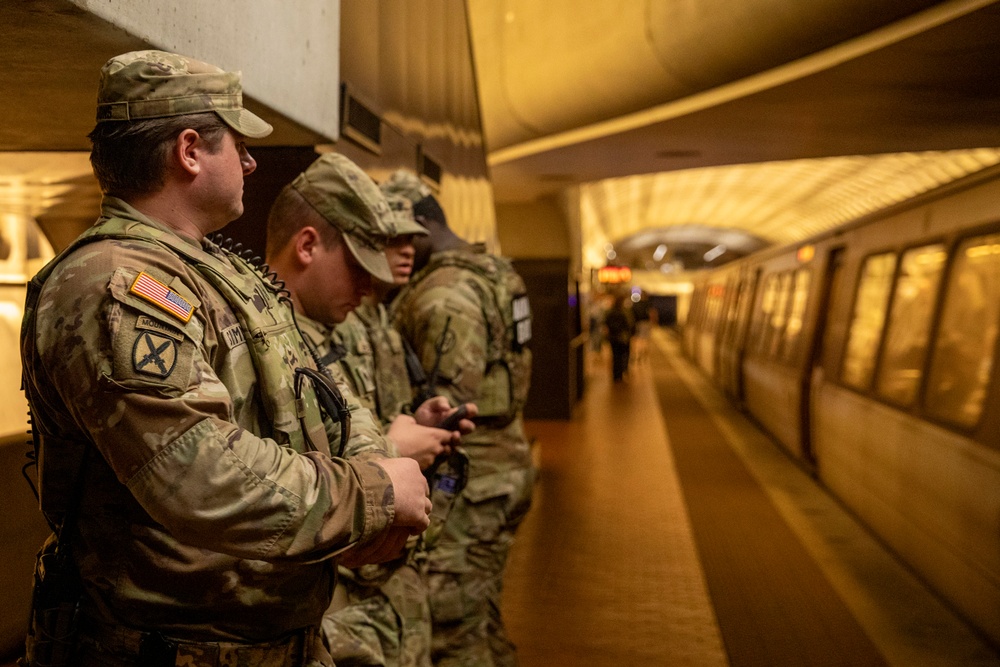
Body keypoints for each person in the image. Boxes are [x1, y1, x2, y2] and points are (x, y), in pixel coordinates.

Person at [19, 50, 430, 667]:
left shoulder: (219, 269)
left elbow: (327, 392)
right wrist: (368, 495)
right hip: (170, 650)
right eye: (238, 143)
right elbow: (201, 476)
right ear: (189, 151)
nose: (250, 161)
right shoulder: (113, 284)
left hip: (263, 641)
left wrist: (369, 489)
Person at [263, 154, 474, 667]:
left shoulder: (323, 330)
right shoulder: (268, 344)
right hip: (333, 603)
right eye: (358, 268)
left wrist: (409, 431)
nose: (367, 288)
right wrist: (395, 449)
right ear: (307, 246)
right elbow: (275, 488)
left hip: (372, 595)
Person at [386, 170, 535, 667]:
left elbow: (449, 409)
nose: (394, 251)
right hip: (506, 464)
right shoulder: (494, 272)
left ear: (421, 227)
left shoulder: (444, 295)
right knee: (482, 613)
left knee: (452, 631)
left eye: (399, 236)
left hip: (472, 485)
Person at [605, 294, 635, 381]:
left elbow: (606, 323)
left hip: (613, 337)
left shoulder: (610, 312)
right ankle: (623, 371)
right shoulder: (625, 312)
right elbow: (629, 324)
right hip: (623, 337)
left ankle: (616, 375)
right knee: (624, 354)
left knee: (615, 356)